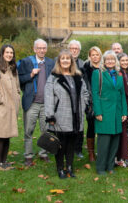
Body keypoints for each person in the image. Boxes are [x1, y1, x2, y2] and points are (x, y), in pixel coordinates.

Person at [44, 50, 90, 178]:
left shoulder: (78, 76)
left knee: (71, 144)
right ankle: (60, 169)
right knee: (60, 144)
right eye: (62, 58)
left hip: (76, 116)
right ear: (59, 61)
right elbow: (48, 97)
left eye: (67, 59)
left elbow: (85, 93)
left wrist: (84, 104)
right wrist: (50, 115)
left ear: (71, 61)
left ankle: (69, 167)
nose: (65, 61)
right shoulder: (53, 77)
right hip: (60, 116)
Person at [17, 39, 55, 166]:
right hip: (32, 103)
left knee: (46, 130)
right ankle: (28, 155)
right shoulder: (27, 62)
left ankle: (43, 153)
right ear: (34, 49)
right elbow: (19, 80)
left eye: (44, 48)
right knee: (29, 130)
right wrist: (30, 75)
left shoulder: (50, 62)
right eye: (39, 48)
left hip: (46, 103)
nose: (42, 50)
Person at [92, 51, 127, 175]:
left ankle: (110, 166)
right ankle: (101, 167)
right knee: (104, 142)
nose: (110, 61)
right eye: (108, 59)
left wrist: (124, 112)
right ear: (104, 61)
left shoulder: (119, 75)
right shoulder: (98, 74)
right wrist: (98, 112)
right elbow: (95, 93)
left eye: (112, 59)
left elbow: (122, 94)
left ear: (115, 61)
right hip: (104, 111)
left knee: (114, 141)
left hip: (117, 112)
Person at [0, 44, 21, 170]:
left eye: (11, 53)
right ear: (2, 53)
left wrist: (17, 98)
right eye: (7, 52)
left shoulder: (13, 69)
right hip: (1, 109)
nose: (9, 55)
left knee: (7, 136)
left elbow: (17, 88)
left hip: (12, 109)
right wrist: (2, 100)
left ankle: (4, 161)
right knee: (1, 136)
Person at [67, 40, 89, 159]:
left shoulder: (82, 64)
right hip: (66, 100)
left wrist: (85, 100)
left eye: (76, 49)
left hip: (79, 99)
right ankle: (66, 148)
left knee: (79, 125)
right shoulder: (62, 62)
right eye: (72, 48)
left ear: (79, 51)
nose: (74, 50)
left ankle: (78, 149)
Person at [83, 46, 102, 161]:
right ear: (89, 56)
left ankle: (101, 150)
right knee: (91, 127)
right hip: (90, 102)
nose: (95, 57)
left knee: (102, 126)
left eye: (97, 54)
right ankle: (91, 153)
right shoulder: (85, 69)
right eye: (93, 55)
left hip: (103, 101)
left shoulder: (103, 68)